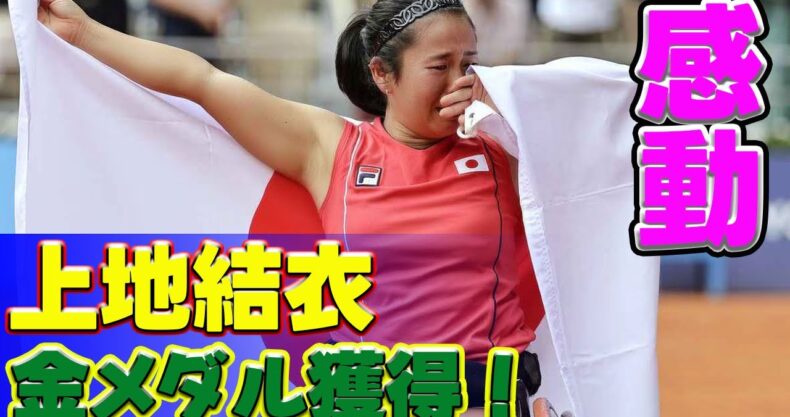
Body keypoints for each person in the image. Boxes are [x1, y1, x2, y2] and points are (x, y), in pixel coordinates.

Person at [37, 0, 544, 415]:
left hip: (483, 396)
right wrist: (82, 32)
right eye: (439, 66)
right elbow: (202, 81)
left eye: (469, 65)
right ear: (382, 74)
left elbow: (583, 130)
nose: (459, 80)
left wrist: (507, 103)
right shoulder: (332, 148)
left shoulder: (502, 149)